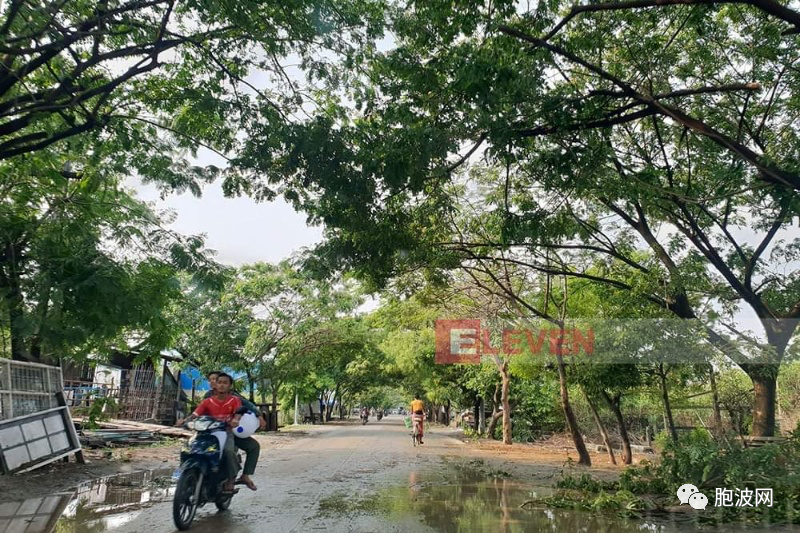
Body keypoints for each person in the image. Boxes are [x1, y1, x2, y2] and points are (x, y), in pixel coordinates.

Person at [179, 373, 244, 494]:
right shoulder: (207, 401)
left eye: (225, 383)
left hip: (225, 431)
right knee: (190, 449)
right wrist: (185, 420)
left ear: (230, 386)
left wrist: (236, 419)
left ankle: (231, 479)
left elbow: (238, 413)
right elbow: (196, 414)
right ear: (216, 384)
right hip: (206, 432)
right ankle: (189, 473)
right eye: (220, 382)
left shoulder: (235, 400)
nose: (222, 385)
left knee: (228, 451)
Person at [203, 371, 263, 491]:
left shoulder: (233, 397)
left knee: (250, 447)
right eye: (211, 380)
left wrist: (259, 416)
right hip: (209, 432)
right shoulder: (207, 396)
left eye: (216, 380)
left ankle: (240, 476)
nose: (212, 382)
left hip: (228, 431)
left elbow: (247, 405)